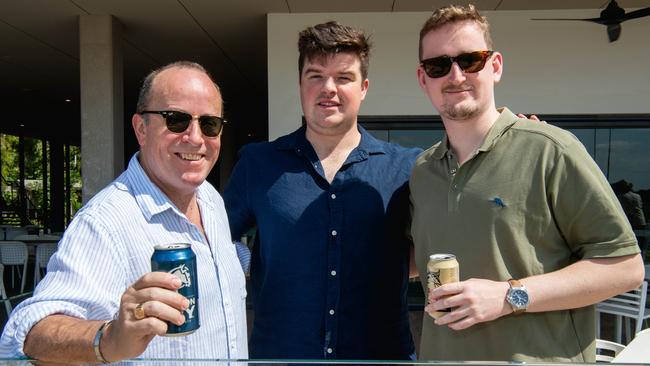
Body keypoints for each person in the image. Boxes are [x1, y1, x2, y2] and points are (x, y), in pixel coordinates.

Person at [410, 5, 644, 362]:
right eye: (438, 65)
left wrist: (508, 296)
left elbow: (625, 268)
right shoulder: (423, 171)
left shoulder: (551, 149)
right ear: (423, 79)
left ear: (496, 66)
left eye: (470, 60)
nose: (455, 75)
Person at [0, 61, 248, 363]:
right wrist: (109, 338)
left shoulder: (211, 199)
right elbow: (31, 332)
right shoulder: (104, 222)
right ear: (141, 129)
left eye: (209, 123)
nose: (195, 137)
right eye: (176, 120)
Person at [224, 21, 420, 359]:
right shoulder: (258, 163)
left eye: (344, 77)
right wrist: (254, 261)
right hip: (281, 356)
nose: (328, 87)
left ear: (364, 88)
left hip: (381, 357)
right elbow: (213, 240)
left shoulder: (407, 168)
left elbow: (451, 230)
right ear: (300, 85)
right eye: (315, 76)